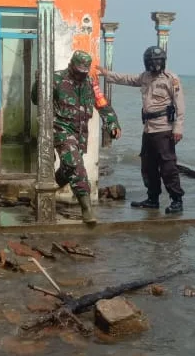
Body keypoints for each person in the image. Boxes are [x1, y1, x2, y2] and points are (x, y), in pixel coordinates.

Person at [32, 51, 121, 224]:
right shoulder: (56, 79)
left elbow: (102, 105)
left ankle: (36, 199)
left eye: (84, 71)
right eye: (78, 70)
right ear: (71, 65)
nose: (81, 74)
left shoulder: (90, 82)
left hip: (80, 133)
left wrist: (112, 124)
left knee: (67, 170)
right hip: (60, 129)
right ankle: (86, 209)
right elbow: (37, 100)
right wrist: (38, 83)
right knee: (76, 166)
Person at [99, 45, 186, 214]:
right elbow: (127, 79)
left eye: (158, 61)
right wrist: (106, 74)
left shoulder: (171, 79)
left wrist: (178, 128)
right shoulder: (145, 77)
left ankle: (177, 200)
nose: (155, 65)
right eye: (152, 62)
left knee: (168, 167)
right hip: (148, 130)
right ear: (146, 63)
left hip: (164, 129)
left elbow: (180, 105)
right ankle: (152, 199)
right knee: (148, 166)